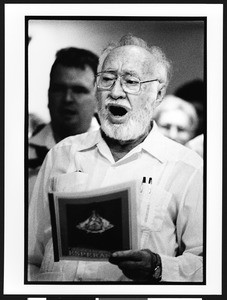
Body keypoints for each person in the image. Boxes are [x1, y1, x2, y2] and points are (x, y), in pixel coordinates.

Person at [28, 34, 203, 282]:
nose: (116, 92)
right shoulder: (61, 155)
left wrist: (158, 266)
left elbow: (207, 264)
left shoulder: (188, 168)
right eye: (107, 79)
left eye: (131, 81)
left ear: (158, 93)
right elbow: (29, 257)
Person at [28, 47, 100, 199]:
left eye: (79, 90)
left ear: (98, 100)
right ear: (48, 95)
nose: (67, 98)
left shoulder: (117, 156)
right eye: (59, 89)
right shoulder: (22, 156)